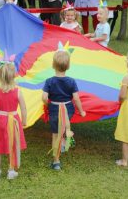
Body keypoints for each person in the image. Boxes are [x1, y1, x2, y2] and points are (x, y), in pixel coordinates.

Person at [42, 43, 86, 171]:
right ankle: (66, 137)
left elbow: (44, 97)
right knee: (64, 125)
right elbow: (76, 98)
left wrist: (47, 104)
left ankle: (56, 161)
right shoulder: (71, 81)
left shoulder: (49, 81)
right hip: (68, 109)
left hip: (55, 109)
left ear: (53, 65)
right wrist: (81, 111)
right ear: (68, 66)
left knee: (55, 134)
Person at [0, 54, 27, 180]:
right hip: (14, 120)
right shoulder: (18, 91)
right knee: (13, 145)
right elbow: (23, 108)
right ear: (14, 75)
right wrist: (24, 120)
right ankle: (10, 171)